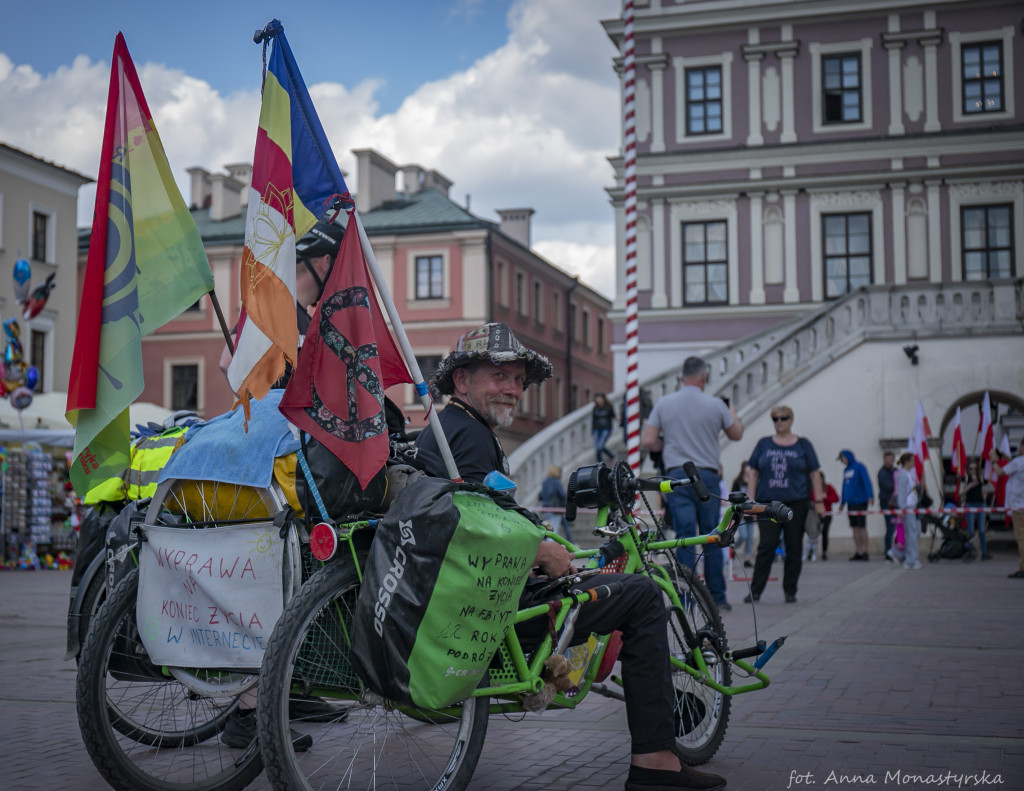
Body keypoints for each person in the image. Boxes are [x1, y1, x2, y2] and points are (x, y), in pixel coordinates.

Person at [423, 324, 727, 791]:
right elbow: (473, 525)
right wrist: (542, 548)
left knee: (601, 582)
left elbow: (473, 513)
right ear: (461, 380)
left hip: (460, 601)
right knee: (643, 594)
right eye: (499, 375)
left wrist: (539, 540)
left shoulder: (449, 429)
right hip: (496, 613)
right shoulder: (468, 436)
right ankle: (655, 760)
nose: (512, 388)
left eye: (519, 380)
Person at [641, 356, 743, 613]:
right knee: (712, 534)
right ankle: (717, 598)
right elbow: (737, 433)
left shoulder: (665, 404)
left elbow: (648, 440)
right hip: (707, 475)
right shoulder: (716, 404)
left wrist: (670, 447)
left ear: (681, 377)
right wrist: (730, 411)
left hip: (677, 476)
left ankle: (686, 597)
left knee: (685, 536)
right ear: (703, 376)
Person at [218, 217, 346, 384]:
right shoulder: (274, 306)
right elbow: (229, 362)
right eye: (340, 266)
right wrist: (266, 405)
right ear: (325, 262)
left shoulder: (306, 321)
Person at [742, 405, 825, 604]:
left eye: (783, 418)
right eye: (775, 419)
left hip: (796, 503)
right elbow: (752, 472)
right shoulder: (764, 444)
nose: (780, 422)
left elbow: (815, 473)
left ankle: (790, 590)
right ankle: (755, 591)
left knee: (794, 547)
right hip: (767, 503)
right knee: (767, 545)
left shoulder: (803, 445)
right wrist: (751, 502)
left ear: (791, 420)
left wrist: (820, 500)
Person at [989, 443, 1024, 579]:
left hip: (1019, 507)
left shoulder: (1018, 461)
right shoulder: (1017, 462)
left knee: (1021, 539)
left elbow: (999, 472)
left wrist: (993, 460)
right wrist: (1008, 458)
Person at [837, 449, 874, 560]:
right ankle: (858, 551)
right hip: (850, 503)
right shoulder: (846, 470)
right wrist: (842, 502)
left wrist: (870, 495)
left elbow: (866, 481)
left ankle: (865, 551)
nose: (842, 461)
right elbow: (844, 487)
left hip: (860, 501)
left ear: (848, 457)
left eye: (842, 458)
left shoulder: (859, 467)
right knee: (854, 527)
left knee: (861, 526)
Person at [890, 452, 922, 569]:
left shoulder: (908, 474)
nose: (914, 462)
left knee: (913, 533)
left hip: (912, 508)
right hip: (907, 508)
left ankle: (904, 555)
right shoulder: (903, 475)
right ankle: (910, 560)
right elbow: (901, 493)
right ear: (907, 462)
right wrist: (902, 508)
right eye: (912, 460)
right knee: (911, 534)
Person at [960, 461, 992, 560]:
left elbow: (982, 492)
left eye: (975, 469)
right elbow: (961, 492)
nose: (973, 471)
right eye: (971, 469)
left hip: (980, 504)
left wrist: (986, 506)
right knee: (970, 530)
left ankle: (984, 552)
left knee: (982, 530)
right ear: (968, 470)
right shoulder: (965, 479)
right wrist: (970, 486)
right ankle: (970, 552)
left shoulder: (980, 478)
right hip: (970, 504)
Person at [729, 463, 755, 568]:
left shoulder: (753, 481)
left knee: (750, 538)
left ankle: (747, 559)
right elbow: (732, 497)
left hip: (751, 514)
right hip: (741, 514)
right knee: (743, 536)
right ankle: (733, 549)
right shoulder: (737, 482)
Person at [539, 464, 572, 541]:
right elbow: (563, 495)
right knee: (553, 531)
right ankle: (550, 548)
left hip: (545, 509)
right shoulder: (556, 482)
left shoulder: (545, 482)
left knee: (547, 530)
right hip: (555, 509)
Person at [814, 472, 840, 561]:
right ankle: (812, 551)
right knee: (814, 533)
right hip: (816, 514)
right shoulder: (812, 488)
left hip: (827, 514)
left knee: (825, 532)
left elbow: (836, 498)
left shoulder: (828, 487)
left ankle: (824, 552)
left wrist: (826, 497)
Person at [877, 452, 897, 557]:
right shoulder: (882, 473)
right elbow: (889, 487)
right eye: (886, 459)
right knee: (890, 528)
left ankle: (898, 551)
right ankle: (888, 552)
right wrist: (898, 485)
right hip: (887, 504)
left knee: (898, 528)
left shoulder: (896, 471)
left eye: (890, 459)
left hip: (896, 504)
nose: (888, 461)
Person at [592, 392, 617, 464]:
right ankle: (600, 463)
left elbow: (613, 416)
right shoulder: (595, 408)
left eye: (600, 399)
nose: (599, 400)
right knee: (597, 449)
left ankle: (611, 456)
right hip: (597, 429)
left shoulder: (609, 407)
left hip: (606, 428)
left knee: (600, 446)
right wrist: (592, 431)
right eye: (597, 399)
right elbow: (593, 420)